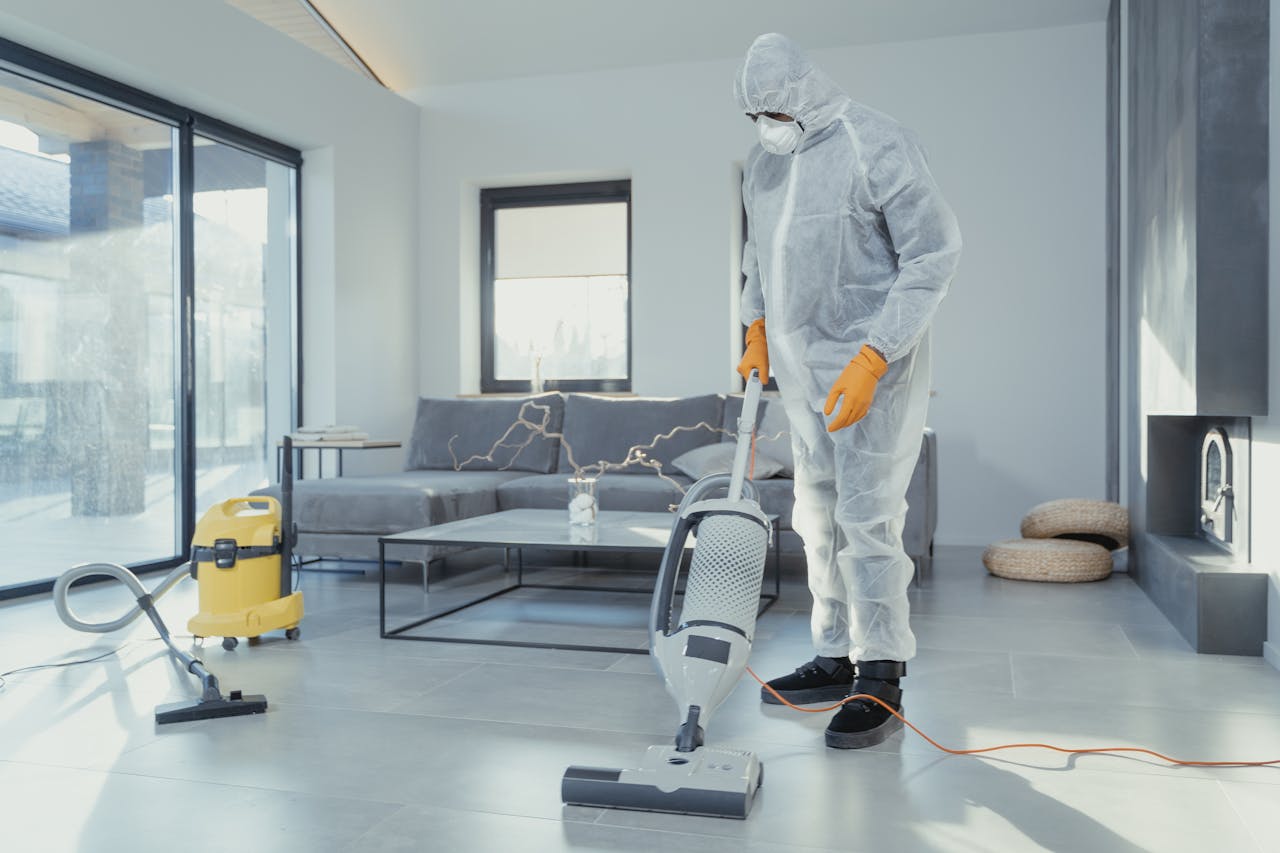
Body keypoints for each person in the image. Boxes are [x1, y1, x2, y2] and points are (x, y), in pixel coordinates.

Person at [734, 33, 961, 749]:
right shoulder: (764, 165)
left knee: (867, 521)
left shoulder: (876, 142)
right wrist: (755, 327)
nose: (763, 123)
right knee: (817, 516)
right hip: (801, 376)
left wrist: (872, 355)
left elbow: (933, 251)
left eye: (772, 108)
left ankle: (883, 671)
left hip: (874, 367)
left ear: (802, 93)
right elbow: (757, 256)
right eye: (753, 113)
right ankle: (835, 652)